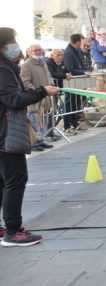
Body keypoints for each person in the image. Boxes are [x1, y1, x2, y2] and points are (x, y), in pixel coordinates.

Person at [0, 27, 59, 246]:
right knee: (15, 179)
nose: (16, 45)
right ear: (4, 45)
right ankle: (13, 231)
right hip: (6, 134)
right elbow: (14, 99)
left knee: (3, 181)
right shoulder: (2, 68)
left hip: (4, 132)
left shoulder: (7, 66)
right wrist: (42, 91)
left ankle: (6, 228)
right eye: (13, 41)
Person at [20, 44, 55, 152]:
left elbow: (48, 76)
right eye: (35, 50)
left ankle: (41, 140)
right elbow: (25, 82)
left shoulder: (43, 63)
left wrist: (51, 85)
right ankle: (34, 143)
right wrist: (37, 92)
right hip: (35, 99)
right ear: (29, 52)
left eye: (40, 50)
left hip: (45, 97)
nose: (38, 52)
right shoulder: (26, 65)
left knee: (43, 121)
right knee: (34, 121)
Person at [63, 34, 88, 135]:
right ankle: (67, 126)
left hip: (76, 82)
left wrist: (85, 71)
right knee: (69, 104)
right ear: (77, 42)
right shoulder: (68, 52)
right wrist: (82, 72)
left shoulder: (75, 51)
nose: (82, 44)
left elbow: (79, 65)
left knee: (75, 104)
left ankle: (74, 124)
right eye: (81, 42)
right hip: (70, 82)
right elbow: (70, 69)